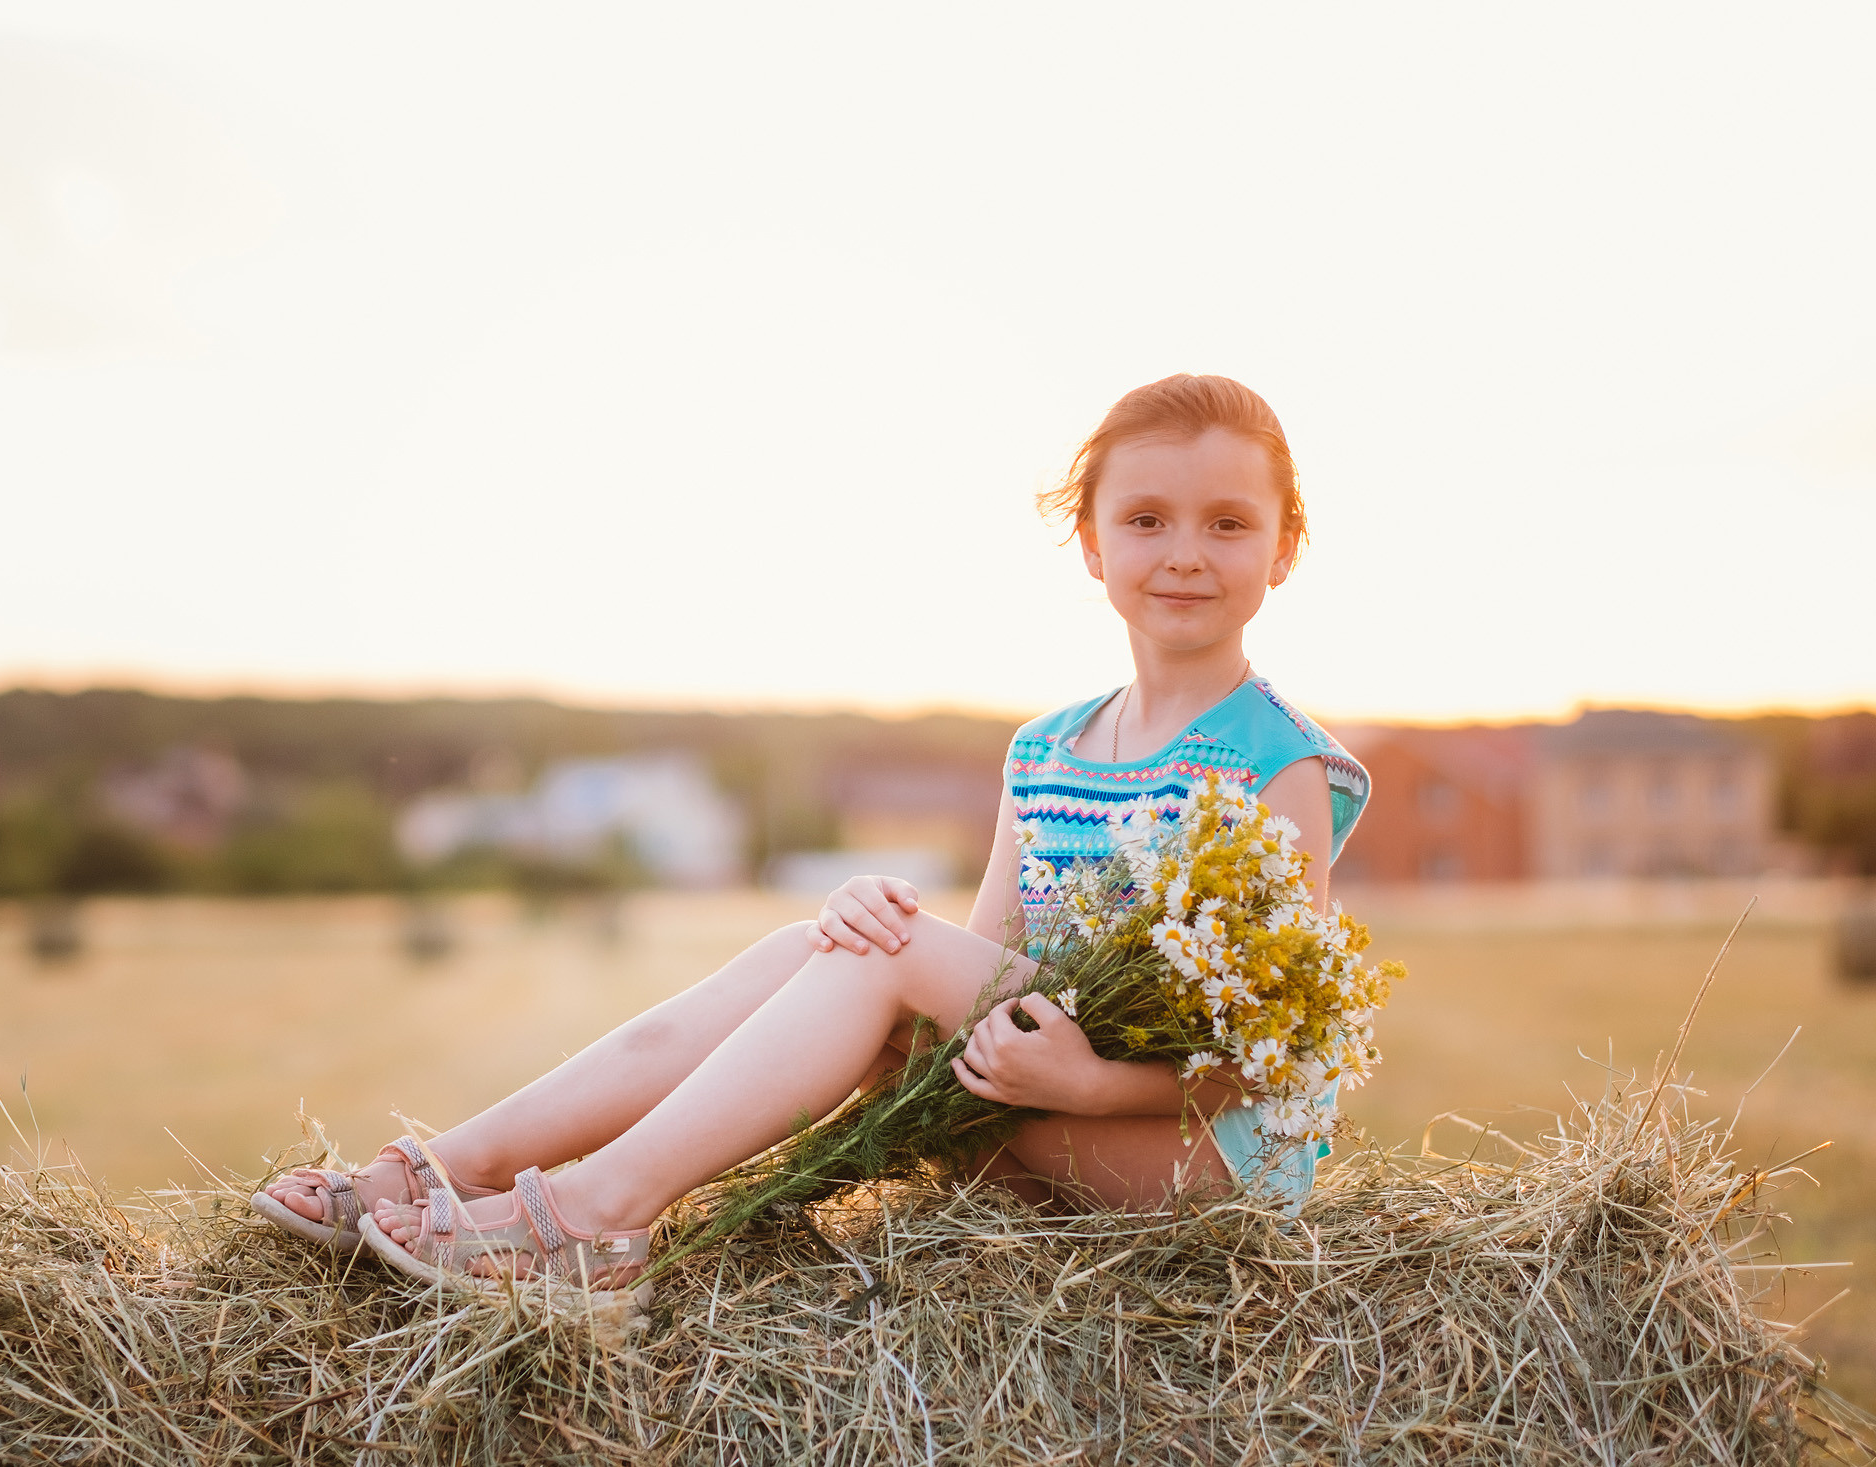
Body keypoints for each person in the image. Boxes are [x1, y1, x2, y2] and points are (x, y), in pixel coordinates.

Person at [251, 373, 1370, 1292]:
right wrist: (860, 938)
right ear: (1089, 544)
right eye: (1145, 520)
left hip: (1186, 1154)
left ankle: (595, 1215)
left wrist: (1085, 1085)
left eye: (1228, 524)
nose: (1185, 552)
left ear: (1283, 549)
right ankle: (456, 1167)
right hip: (1037, 1106)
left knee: (884, 950)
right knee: (823, 942)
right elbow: (985, 967)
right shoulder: (1046, 751)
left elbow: (1267, 1057)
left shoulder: (1279, 768)